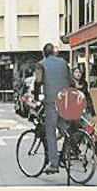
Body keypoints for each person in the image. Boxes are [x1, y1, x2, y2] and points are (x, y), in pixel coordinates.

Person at [35, 42, 72, 174]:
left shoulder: (41, 64)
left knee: (50, 132)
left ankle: (54, 164)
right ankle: (69, 150)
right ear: (55, 52)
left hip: (51, 101)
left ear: (44, 53)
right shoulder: (63, 63)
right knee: (65, 128)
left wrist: (36, 98)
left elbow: (38, 82)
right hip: (65, 99)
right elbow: (71, 80)